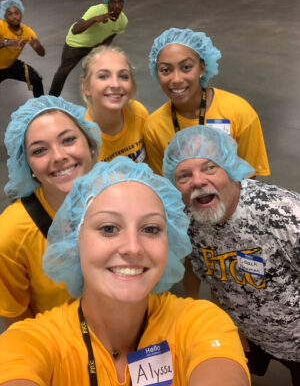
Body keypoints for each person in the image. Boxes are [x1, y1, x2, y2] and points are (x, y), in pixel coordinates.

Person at [0, 157, 250, 385]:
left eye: (151, 229)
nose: (133, 248)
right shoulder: (31, 342)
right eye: (108, 228)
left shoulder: (200, 322)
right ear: (74, 240)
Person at [163, 125, 300, 385]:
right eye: (184, 175)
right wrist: (228, 327)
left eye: (210, 167)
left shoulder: (284, 216)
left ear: (230, 168)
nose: (198, 181)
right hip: (247, 335)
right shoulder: (191, 222)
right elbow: (213, 278)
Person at [0, 95, 101, 329]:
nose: (58, 157)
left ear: (90, 143)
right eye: (39, 151)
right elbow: (18, 323)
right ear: (27, 165)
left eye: (68, 140)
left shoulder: (120, 197)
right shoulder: (10, 235)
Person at [144, 27, 270, 177]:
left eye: (186, 67)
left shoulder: (239, 113)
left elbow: (249, 179)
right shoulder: (154, 128)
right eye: (165, 70)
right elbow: (166, 184)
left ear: (202, 68)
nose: (176, 79)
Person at [49, 0, 128, 97]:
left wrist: (100, 50)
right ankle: (51, 100)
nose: (117, 6)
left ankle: (96, 100)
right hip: (76, 44)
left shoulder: (123, 21)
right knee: (64, 71)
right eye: (113, 2)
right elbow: (76, 30)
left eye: (120, 2)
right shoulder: (96, 10)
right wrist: (94, 19)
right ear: (107, 2)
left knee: (98, 72)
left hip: (94, 45)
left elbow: (111, 35)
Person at [81, 45, 148, 162]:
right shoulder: (82, 137)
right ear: (86, 87)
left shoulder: (138, 112)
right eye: (103, 76)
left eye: (123, 76)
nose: (115, 84)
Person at [0, 0, 45, 97]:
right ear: (5, 17)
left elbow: (42, 54)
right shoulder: (0, 26)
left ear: (21, 14)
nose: (14, 16)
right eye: (10, 14)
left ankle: (40, 108)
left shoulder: (27, 32)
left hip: (11, 65)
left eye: (16, 12)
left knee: (36, 79)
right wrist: (6, 42)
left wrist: (38, 47)